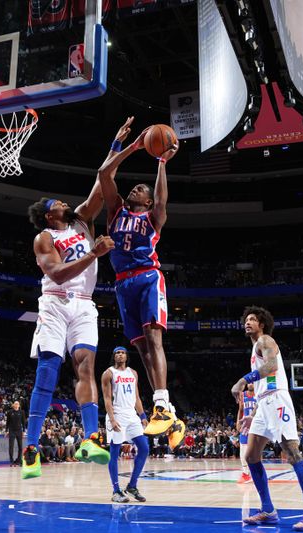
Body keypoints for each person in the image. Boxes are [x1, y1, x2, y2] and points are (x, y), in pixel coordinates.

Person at [21, 140, 117, 480]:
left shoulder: (81, 221)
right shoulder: (44, 238)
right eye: (58, 203)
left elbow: (102, 183)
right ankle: (30, 447)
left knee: (86, 367)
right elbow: (58, 272)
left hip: (85, 304)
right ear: (50, 214)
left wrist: (121, 145)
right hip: (56, 301)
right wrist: (94, 255)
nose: (65, 202)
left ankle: (91, 438)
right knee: (48, 370)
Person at [97, 117, 184, 450]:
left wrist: (161, 163)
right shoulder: (116, 212)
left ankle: (160, 402)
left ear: (146, 201)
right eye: (134, 187)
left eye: (140, 189)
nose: (135, 188)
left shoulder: (151, 217)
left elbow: (162, 201)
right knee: (142, 350)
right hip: (122, 285)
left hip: (147, 277)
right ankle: (170, 414)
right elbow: (105, 175)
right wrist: (131, 147)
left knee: (153, 338)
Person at [231, 307, 303, 531]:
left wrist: (243, 379)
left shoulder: (266, 340)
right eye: (246, 319)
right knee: (251, 456)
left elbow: (272, 367)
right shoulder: (254, 348)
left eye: (252, 319)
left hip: (278, 400)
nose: (247, 322)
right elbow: (263, 384)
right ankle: (268, 510)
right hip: (264, 403)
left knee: (292, 452)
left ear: (262, 324)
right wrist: (252, 414)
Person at [101, 346, 149, 503]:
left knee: (144, 448)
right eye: (117, 353)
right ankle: (115, 491)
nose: (120, 355)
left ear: (127, 356)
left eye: (122, 353)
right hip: (117, 414)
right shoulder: (108, 373)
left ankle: (132, 486)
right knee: (114, 453)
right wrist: (112, 419)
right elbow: (107, 399)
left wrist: (142, 415)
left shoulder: (133, 373)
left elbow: (137, 397)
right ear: (114, 356)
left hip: (132, 415)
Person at [236, 383, 256, 484]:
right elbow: (240, 410)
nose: (250, 384)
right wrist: (237, 422)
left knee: (255, 452)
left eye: (252, 382)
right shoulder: (242, 395)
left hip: (256, 425)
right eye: (249, 382)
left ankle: (255, 473)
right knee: (243, 451)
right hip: (245, 425)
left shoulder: (259, 394)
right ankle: (245, 474)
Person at [6, 401, 25, 466]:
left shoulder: (22, 412)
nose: (16, 405)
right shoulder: (10, 412)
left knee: (20, 447)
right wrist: (6, 430)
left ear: (19, 405)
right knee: (11, 446)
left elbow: (23, 422)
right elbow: (7, 422)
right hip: (11, 431)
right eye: (15, 404)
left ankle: (18, 460)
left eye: (17, 404)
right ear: (13, 405)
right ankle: (11, 461)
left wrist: (24, 431)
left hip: (19, 431)